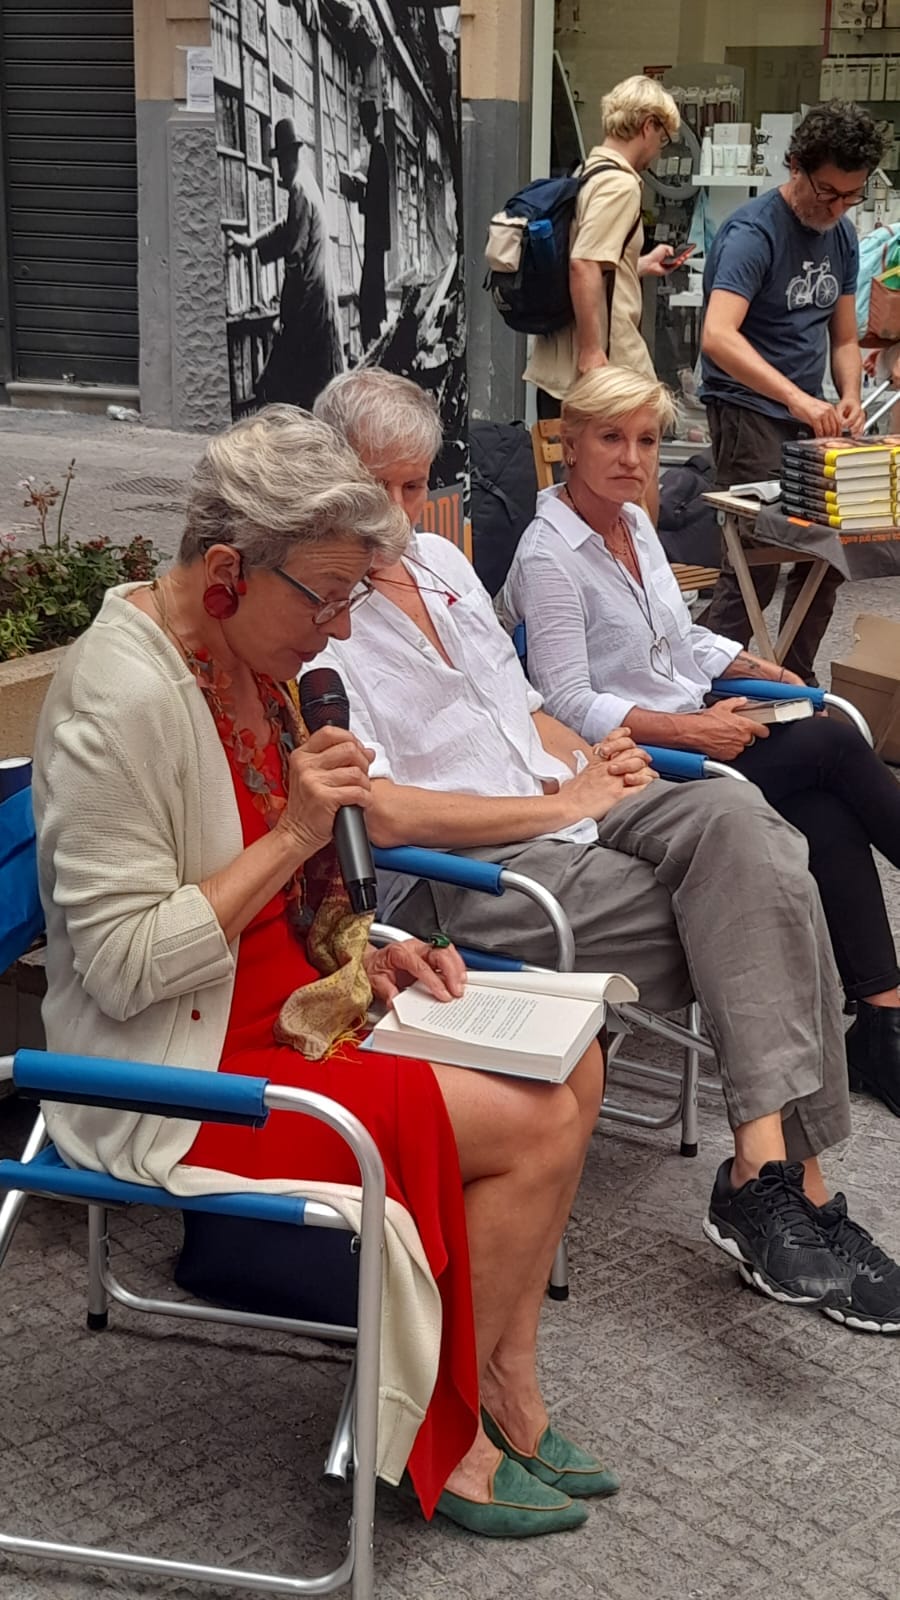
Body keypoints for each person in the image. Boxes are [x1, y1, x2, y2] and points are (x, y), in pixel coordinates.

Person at [31, 407, 615, 1539]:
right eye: (328, 597)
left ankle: (503, 1388)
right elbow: (119, 968)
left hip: (293, 1014)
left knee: (576, 1063)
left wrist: (371, 948)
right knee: (537, 1122)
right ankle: (446, 1434)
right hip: (175, 1067)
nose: (341, 628)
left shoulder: (257, 660)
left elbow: (291, 905)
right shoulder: (121, 700)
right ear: (226, 573)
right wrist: (298, 834)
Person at [314, 365, 900, 1337]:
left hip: (567, 796)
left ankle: (765, 1175)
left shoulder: (441, 562)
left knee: (751, 827)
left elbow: (529, 709)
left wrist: (599, 765)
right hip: (485, 872)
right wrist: (569, 794)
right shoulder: (325, 616)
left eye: (416, 485)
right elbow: (379, 816)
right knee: (769, 898)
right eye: (384, 486)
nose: (403, 512)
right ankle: (790, 1183)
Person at [500, 361, 900, 1124]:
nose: (633, 458)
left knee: (825, 805)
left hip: (700, 724)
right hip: (651, 764)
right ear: (572, 445)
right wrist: (693, 729)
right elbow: (565, 702)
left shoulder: (633, 525)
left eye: (647, 441)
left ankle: (883, 1021)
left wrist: (751, 664)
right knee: (836, 743)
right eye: (611, 439)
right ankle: (882, 1023)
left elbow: (680, 639)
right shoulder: (549, 554)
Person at [700, 101, 887, 683]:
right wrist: (795, 398)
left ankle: (795, 679)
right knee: (753, 565)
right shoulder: (753, 233)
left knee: (833, 550)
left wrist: (849, 392)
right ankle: (706, 683)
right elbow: (717, 335)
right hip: (749, 408)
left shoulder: (843, 235)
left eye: (851, 196)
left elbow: (844, 336)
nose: (837, 207)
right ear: (796, 167)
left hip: (809, 411)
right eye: (827, 192)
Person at [524, 75, 681, 420]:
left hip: (561, 367)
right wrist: (591, 352)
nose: (659, 150)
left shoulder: (587, 172)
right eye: (663, 138)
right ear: (648, 125)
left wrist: (639, 265)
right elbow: (584, 263)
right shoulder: (620, 184)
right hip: (602, 371)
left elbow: (590, 259)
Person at [227, 118, 343, 408]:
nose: (278, 169)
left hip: (310, 305)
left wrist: (286, 315)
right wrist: (252, 242)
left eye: (279, 160)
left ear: (289, 157)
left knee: (294, 388)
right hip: (315, 302)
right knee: (313, 387)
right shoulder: (305, 183)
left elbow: (294, 256)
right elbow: (286, 228)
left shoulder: (299, 189)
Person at [356, 99, 391, 350]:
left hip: (375, 236)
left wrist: (359, 195)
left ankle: (372, 340)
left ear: (369, 124)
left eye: (364, 125)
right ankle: (374, 337)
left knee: (369, 293)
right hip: (377, 236)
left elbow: (375, 201)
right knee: (373, 289)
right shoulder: (379, 151)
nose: (364, 131)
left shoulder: (378, 152)